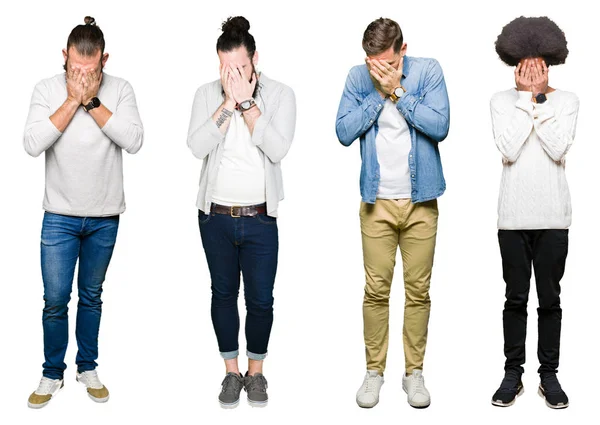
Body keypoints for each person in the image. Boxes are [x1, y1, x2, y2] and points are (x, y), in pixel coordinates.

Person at [24, 16, 143, 408]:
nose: (82, 75)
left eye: (90, 71)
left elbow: (134, 140)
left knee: (91, 296)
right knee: (55, 299)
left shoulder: (120, 90)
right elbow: (32, 142)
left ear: (104, 61)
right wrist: (72, 99)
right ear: (65, 56)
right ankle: (51, 373)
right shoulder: (46, 89)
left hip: (105, 216)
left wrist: (91, 101)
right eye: (75, 68)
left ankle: (87, 366)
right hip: (58, 214)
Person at [335, 17, 450, 409]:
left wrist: (398, 91)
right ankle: (374, 372)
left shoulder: (428, 71)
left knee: (418, 293)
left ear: (402, 50)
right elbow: (343, 131)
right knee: (376, 292)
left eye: (385, 61)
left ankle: (414, 373)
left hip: (421, 202)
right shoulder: (357, 78)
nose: (377, 68)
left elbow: (440, 125)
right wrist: (379, 93)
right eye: (372, 61)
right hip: (376, 203)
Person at [187, 16, 296, 409]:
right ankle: (231, 372)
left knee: (261, 300)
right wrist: (228, 104)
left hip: (261, 217)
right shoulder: (206, 95)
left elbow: (278, 148)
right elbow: (196, 145)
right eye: (226, 68)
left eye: (241, 68)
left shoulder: (281, 95)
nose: (233, 75)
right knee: (222, 294)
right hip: (214, 216)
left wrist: (247, 104)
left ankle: (257, 372)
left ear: (255, 61)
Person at [490, 16, 578, 410]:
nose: (530, 69)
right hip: (512, 219)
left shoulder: (568, 100)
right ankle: (513, 374)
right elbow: (508, 149)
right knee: (514, 299)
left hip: (553, 219)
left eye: (537, 62)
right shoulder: (499, 101)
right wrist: (525, 99)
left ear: (548, 62)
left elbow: (558, 148)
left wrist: (539, 100)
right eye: (523, 63)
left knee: (550, 300)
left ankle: (549, 375)